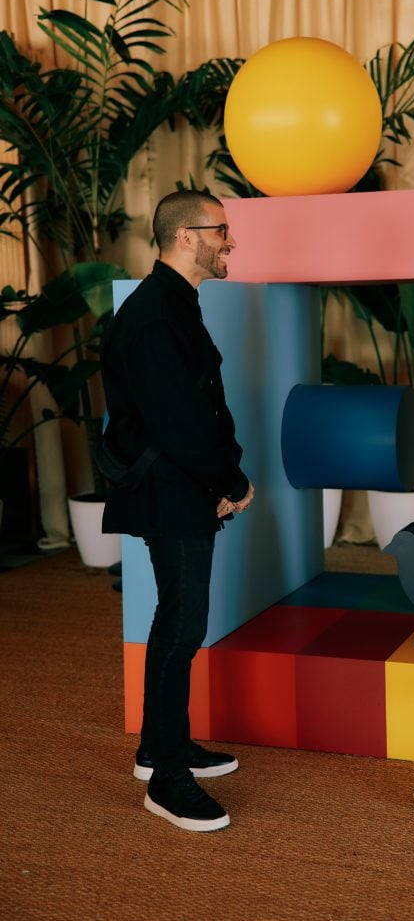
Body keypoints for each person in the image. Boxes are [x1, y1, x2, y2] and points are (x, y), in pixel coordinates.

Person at [101, 189, 254, 832]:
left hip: (182, 485)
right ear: (185, 237)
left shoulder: (173, 303)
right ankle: (166, 778)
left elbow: (198, 405)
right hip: (170, 489)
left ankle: (161, 745)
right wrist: (231, 477)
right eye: (221, 230)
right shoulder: (155, 314)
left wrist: (222, 470)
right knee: (182, 622)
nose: (231, 240)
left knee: (180, 618)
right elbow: (182, 423)